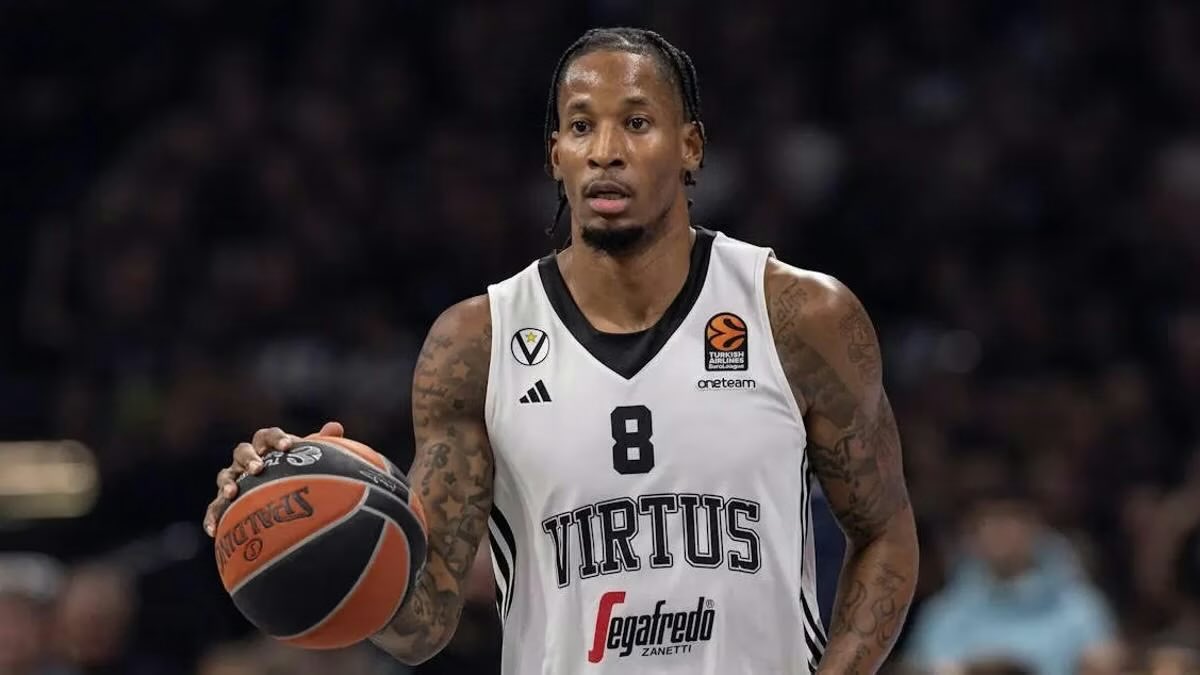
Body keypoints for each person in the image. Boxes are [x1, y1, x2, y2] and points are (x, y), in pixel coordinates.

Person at [203, 27, 918, 674]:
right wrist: (302, 514)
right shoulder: (476, 345)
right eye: (581, 126)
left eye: (636, 122)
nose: (606, 149)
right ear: (556, 156)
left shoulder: (799, 316)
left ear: (691, 146)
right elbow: (422, 625)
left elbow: (885, 532)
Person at [904, 484, 1120, 675]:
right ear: (972, 536)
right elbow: (922, 667)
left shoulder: (1080, 607)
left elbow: (1104, 662)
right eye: (991, 523)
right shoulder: (944, 613)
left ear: (1035, 528)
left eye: (1011, 521)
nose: (1002, 534)